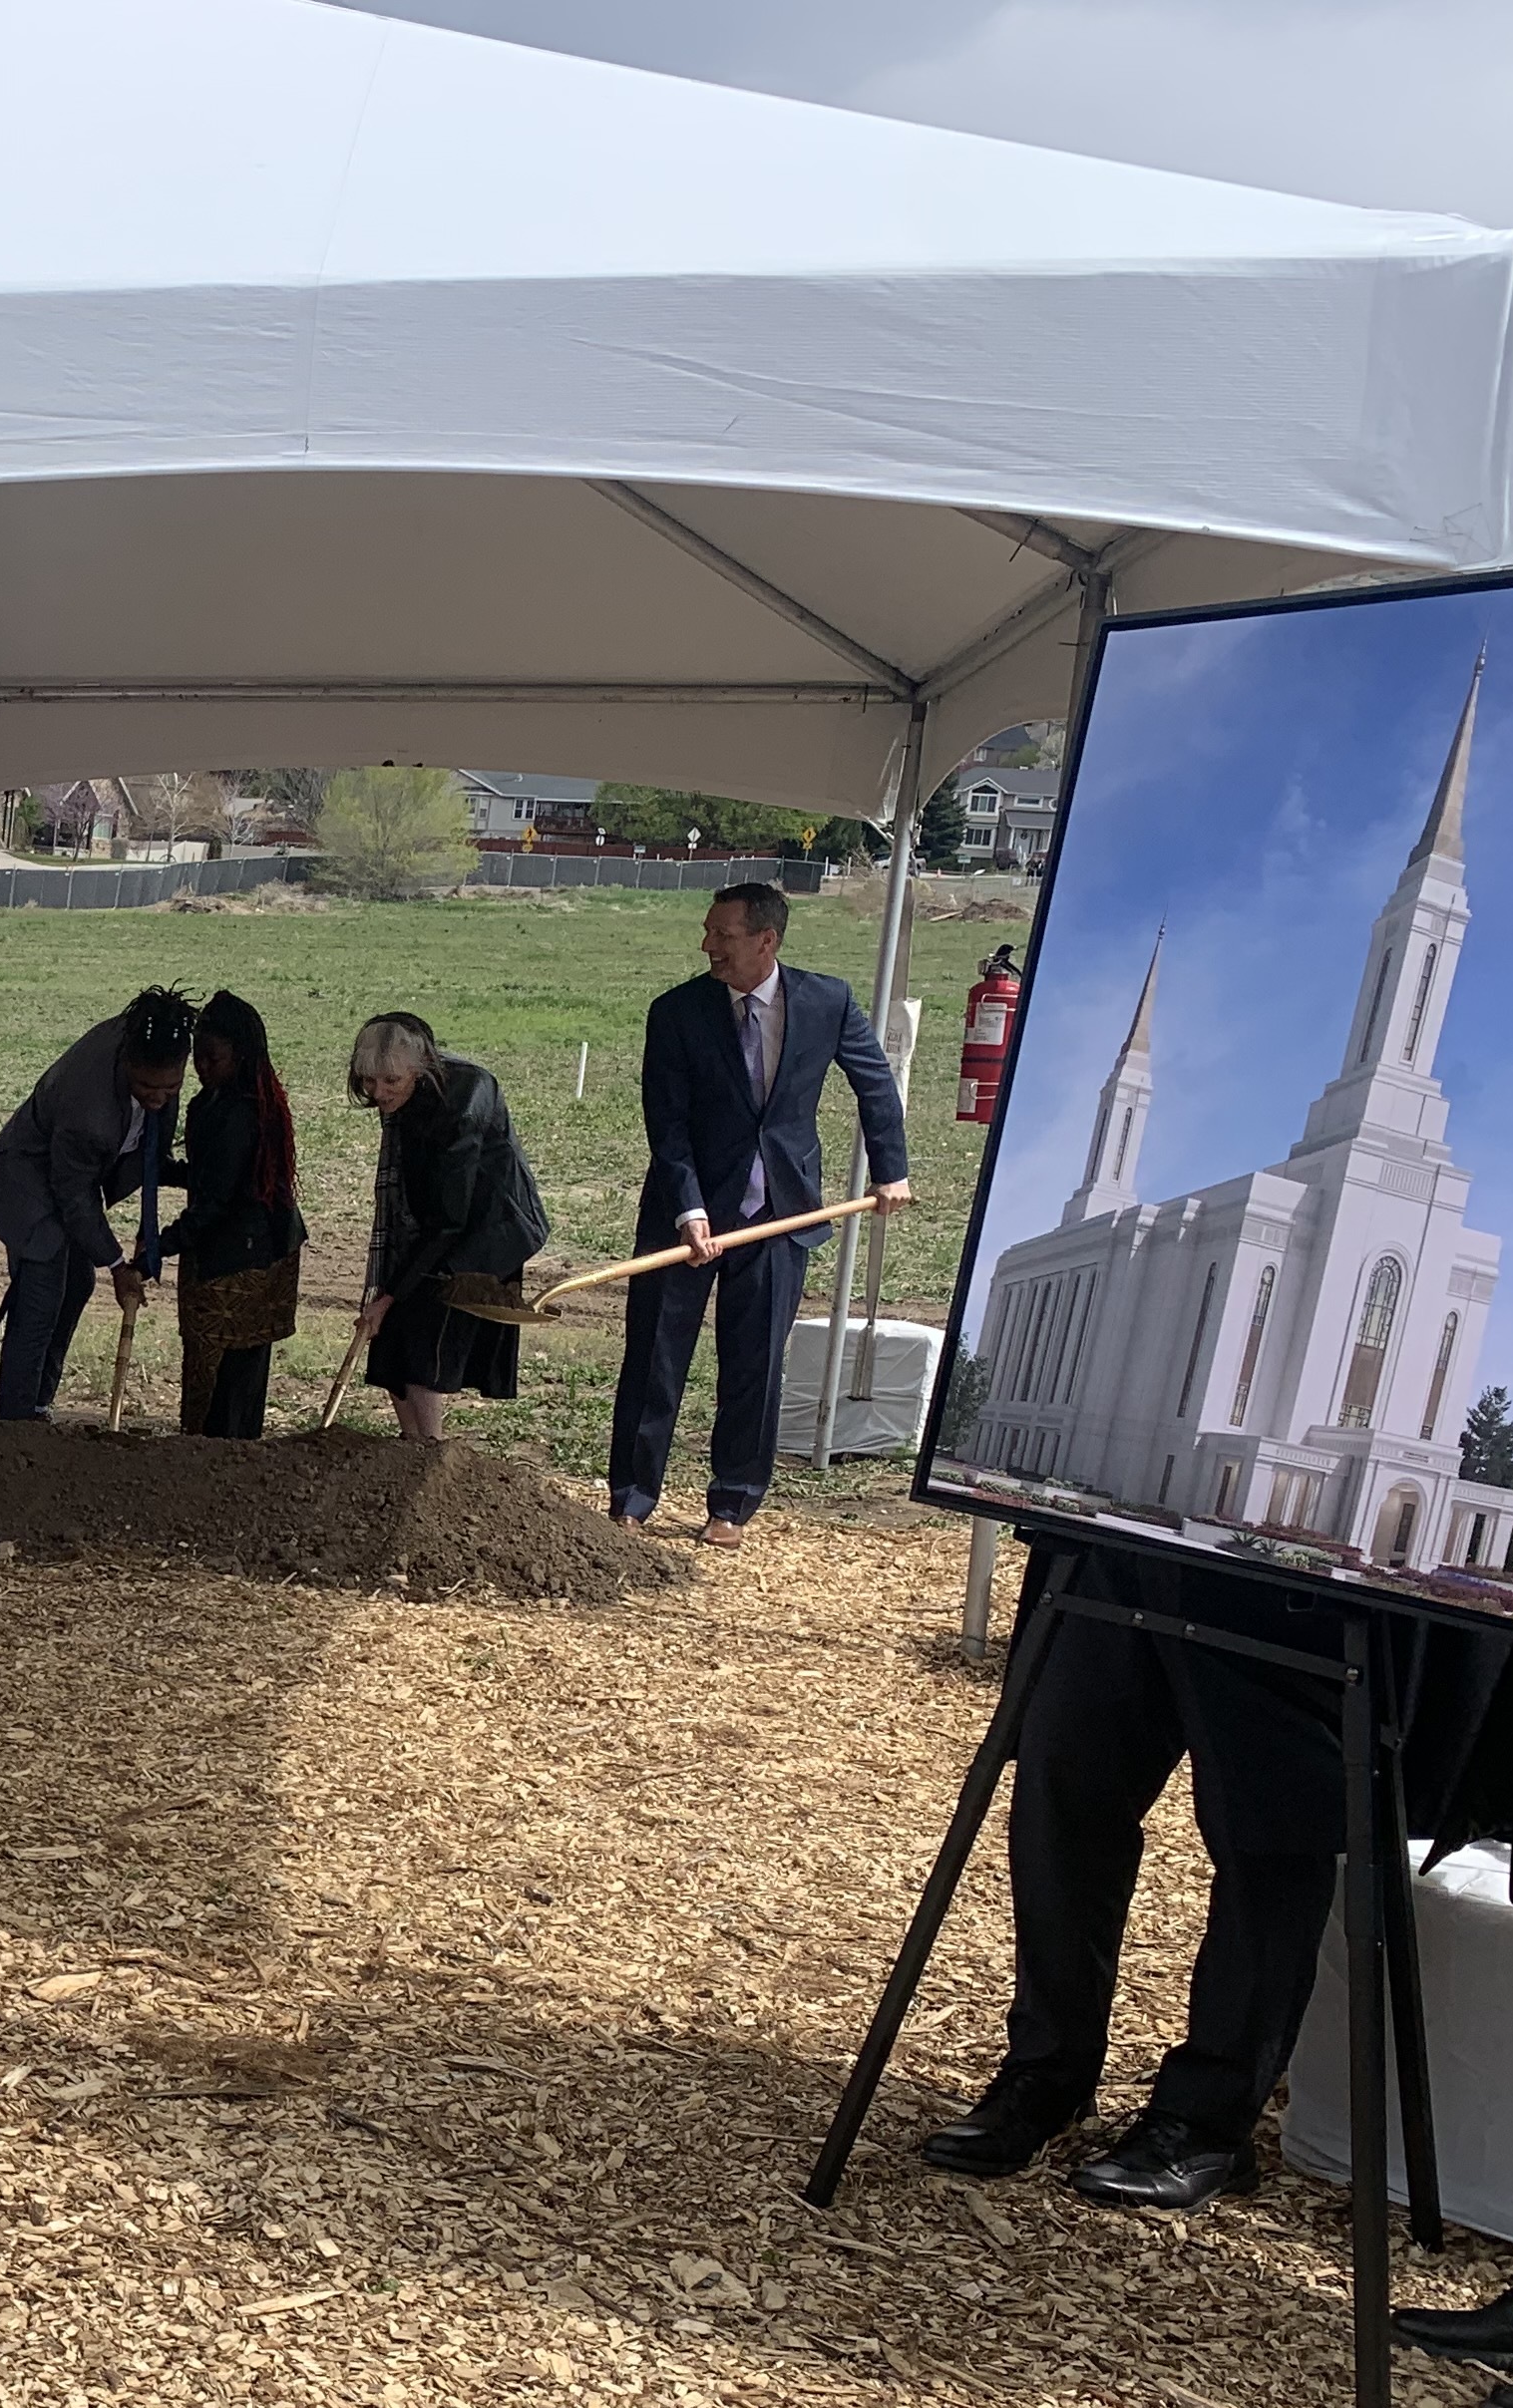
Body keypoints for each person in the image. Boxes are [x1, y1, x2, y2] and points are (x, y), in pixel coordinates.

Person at [918, 1543, 1353, 2213]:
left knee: (1269, 1840)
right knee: (1062, 1795)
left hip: (1288, 1584)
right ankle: (1048, 2073)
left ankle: (1206, 2124)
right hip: (1119, 1547)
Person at [611, 879, 913, 1545]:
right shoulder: (677, 1012)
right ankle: (631, 1499)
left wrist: (891, 1170)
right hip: (684, 1210)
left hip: (779, 1211)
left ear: (766, 940)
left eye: (723, 934)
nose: (708, 945)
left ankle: (732, 1503)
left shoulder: (828, 1001)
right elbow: (668, 1123)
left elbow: (875, 1086)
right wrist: (689, 1209)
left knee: (754, 1364)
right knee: (656, 1357)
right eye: (708, 931)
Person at [0, 987, 196, 1425]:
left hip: (70, 1176)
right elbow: (74, 1194)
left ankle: (37, 1407)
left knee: (76, 1282)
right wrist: (117, 1265)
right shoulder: (89, 1108)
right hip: (30, 1178)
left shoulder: (154, 1037)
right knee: (41, 1297)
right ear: (127, 1064)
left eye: (171, 1088)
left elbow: (147, 1151)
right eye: (147, 1087)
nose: (159, 1098)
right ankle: (12, 1426)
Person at [348, 1012, 544, 1442]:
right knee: (392, 1337)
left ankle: (430, 1450)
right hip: (431, 1221)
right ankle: (412, 1446)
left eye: (390, 1082)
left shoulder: (464, 1099)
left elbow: (448, 1219)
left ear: (419, 1069)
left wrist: (390, 1294)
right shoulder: (406, 1090)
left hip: (487, 1230)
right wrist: (388, 1293)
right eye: (369, 1081)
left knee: (422, 1329)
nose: (378, 1093)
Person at [175, 987, 305, 1436]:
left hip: (247, 1255)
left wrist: (162, 1244)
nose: (202, 1067)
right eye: (197, 1056)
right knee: (216, 1368)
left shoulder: (243, 1112)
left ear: (241, 1056)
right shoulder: (210, 1104)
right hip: (236, 1245)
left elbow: (218, 1197)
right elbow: (213, 1176)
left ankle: (225, 1455)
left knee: (232, 1375)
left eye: (213, 1058)